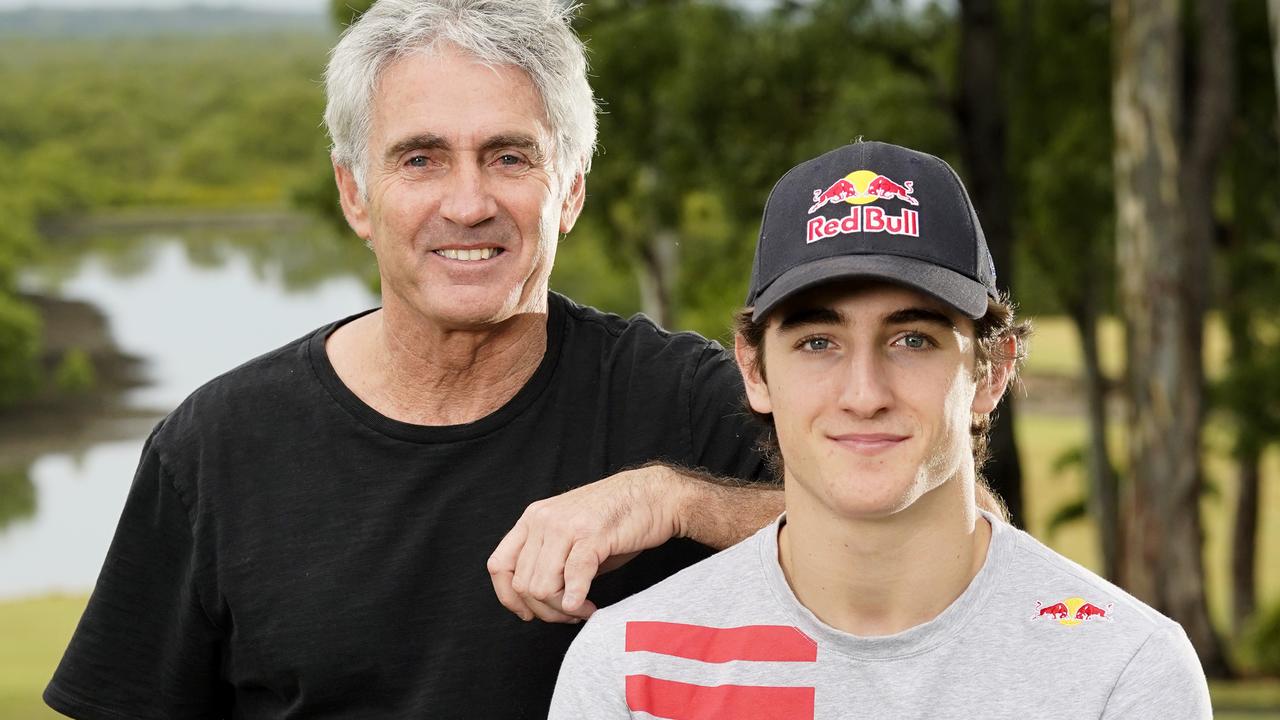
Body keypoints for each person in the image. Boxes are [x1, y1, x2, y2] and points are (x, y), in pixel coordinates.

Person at [43, 2, 787, 717]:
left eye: (509, 156)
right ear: (354, 194)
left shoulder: (689, 402)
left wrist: (677, 501)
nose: (467, 204)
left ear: (569, 191)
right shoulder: (214, 448)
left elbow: (894, 544)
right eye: (421, 159)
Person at [549, 141, 1213, 719]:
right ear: (753, 369)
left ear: (992, 371)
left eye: (914, 340)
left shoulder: (1121, 668)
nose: (864, 394)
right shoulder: (633, 666)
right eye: (818, 342)